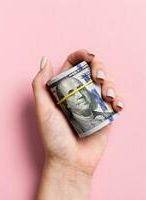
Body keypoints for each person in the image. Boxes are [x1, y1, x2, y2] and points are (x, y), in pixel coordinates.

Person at [32, 49, 124, 200]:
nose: (79, 94)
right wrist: (64, 166)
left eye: (79, 89)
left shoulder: (101, 115)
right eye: (71, 93)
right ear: (65, 104)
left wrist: (73, 169)